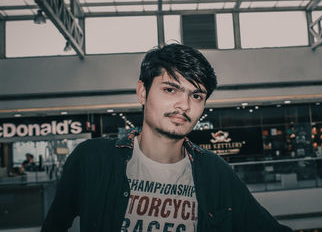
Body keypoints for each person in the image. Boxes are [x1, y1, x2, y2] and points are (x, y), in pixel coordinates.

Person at [41, 44, 292, 232]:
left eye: (196, 96)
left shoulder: (215, 171)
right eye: (171, 89)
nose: (184, 105)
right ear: (143, 92)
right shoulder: (92, 159)